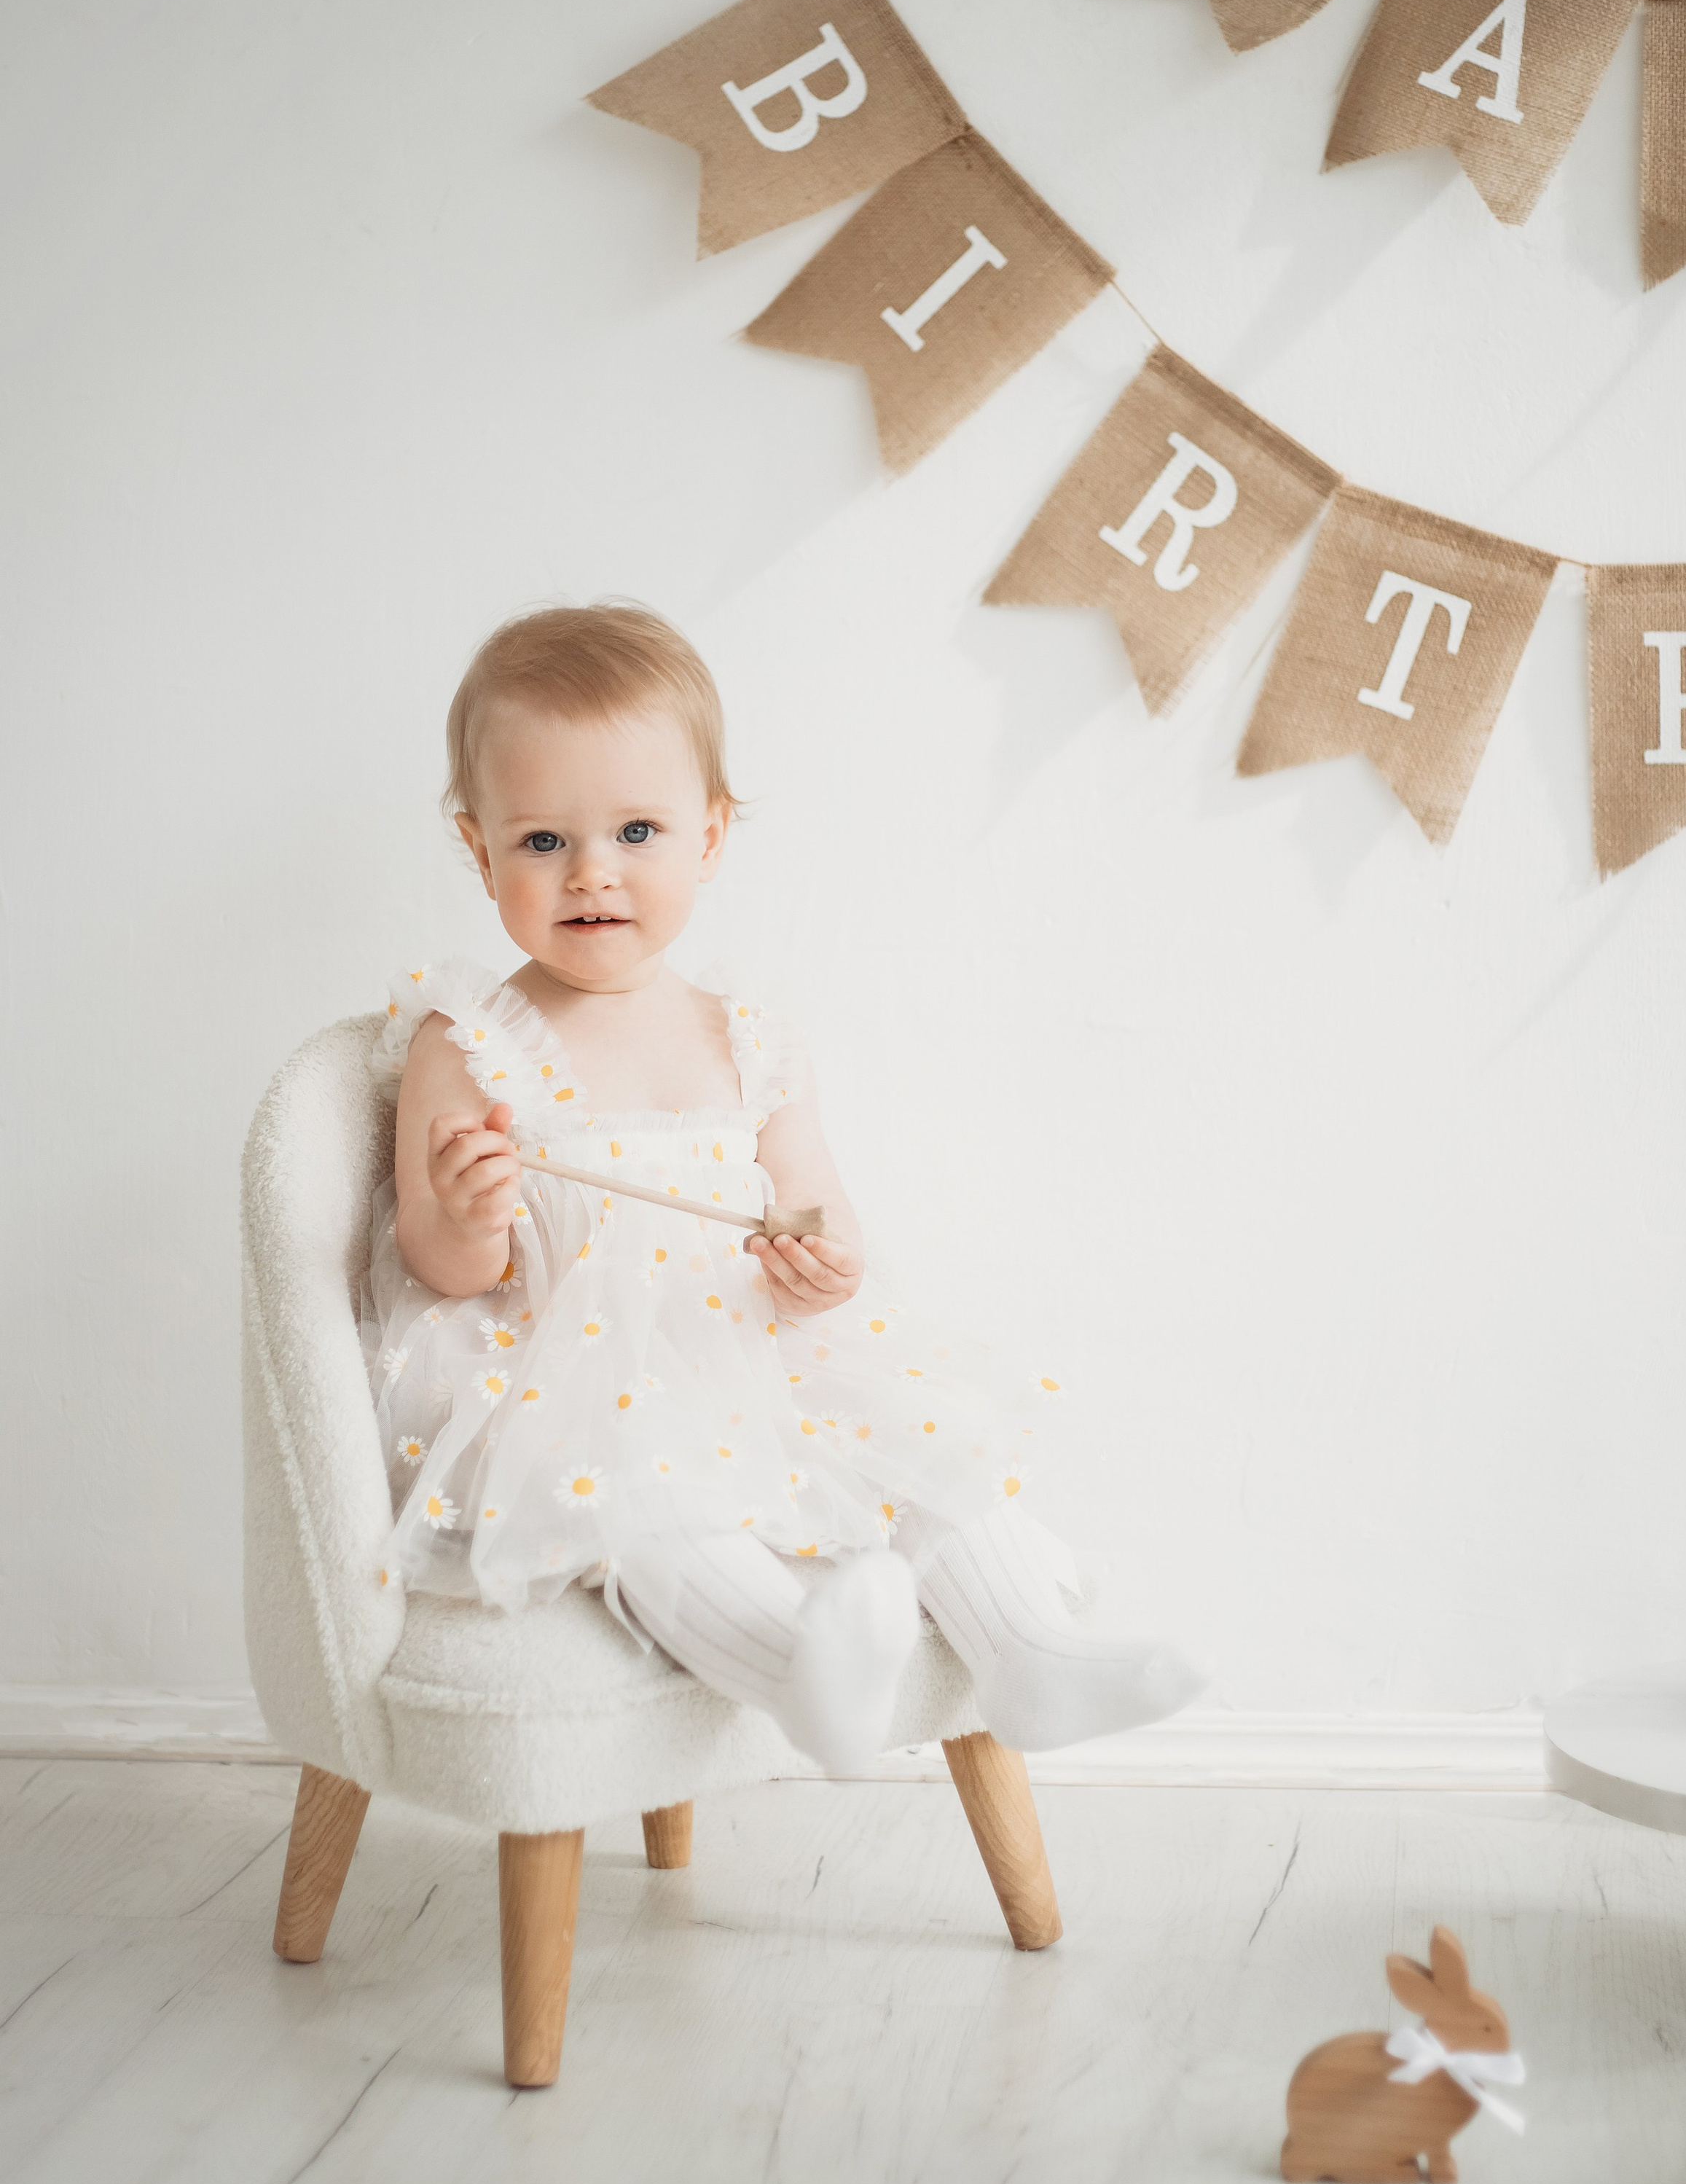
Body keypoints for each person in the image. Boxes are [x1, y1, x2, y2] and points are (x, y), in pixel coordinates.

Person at [365, 602, 1199, 1775]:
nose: (593, 873)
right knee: (655, 1511)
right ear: (479, 848)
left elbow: (815, 1209)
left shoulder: (744, 1034)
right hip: (583, 1378)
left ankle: (1031, 1652)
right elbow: (441, 1272)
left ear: (709, 837)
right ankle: (794, 1664)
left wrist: (825, 1266)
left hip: (761, 1347)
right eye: (544, 841)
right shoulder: (470, 1044)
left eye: (638, 831)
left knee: (921, 1444)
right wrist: (466, 1209)